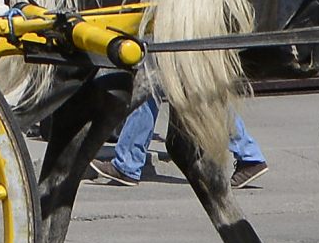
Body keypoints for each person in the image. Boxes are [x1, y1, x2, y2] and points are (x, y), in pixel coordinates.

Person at [99, 78, 264, 188]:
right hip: (182, 31)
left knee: (150, 82)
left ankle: (128, 164)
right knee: (196, 90)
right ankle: (249, 155)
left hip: (169, 31)